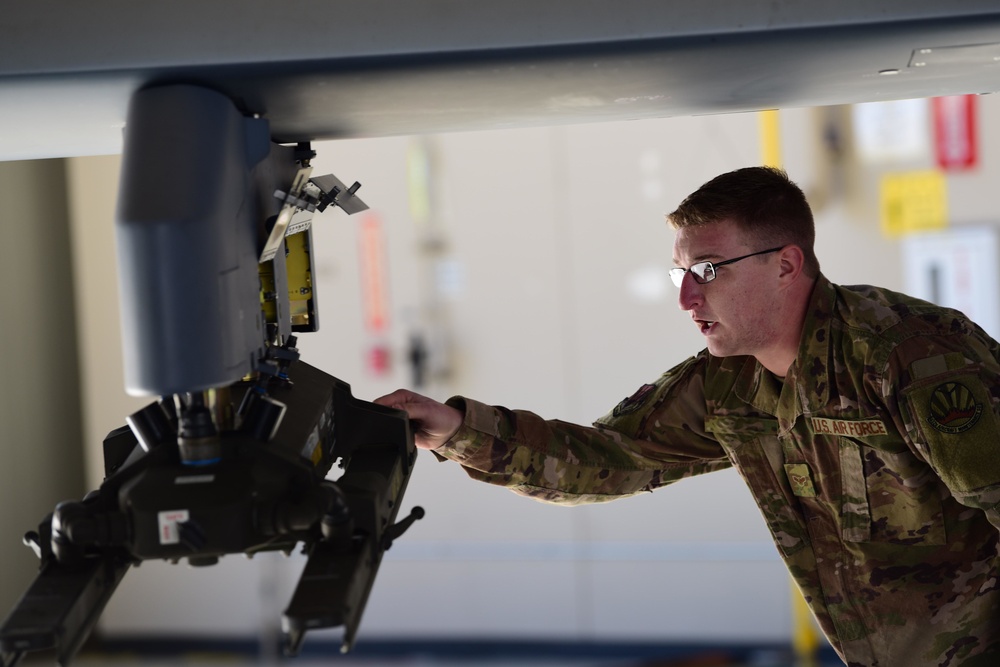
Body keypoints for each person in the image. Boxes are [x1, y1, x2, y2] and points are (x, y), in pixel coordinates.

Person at [375, 166, 1000, 667]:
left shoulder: (908, 356)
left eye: (707, 271)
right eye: (680, 272)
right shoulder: (729, 384)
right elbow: (608, 461)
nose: (686, 298)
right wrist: (456, 431)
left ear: (786, 265)